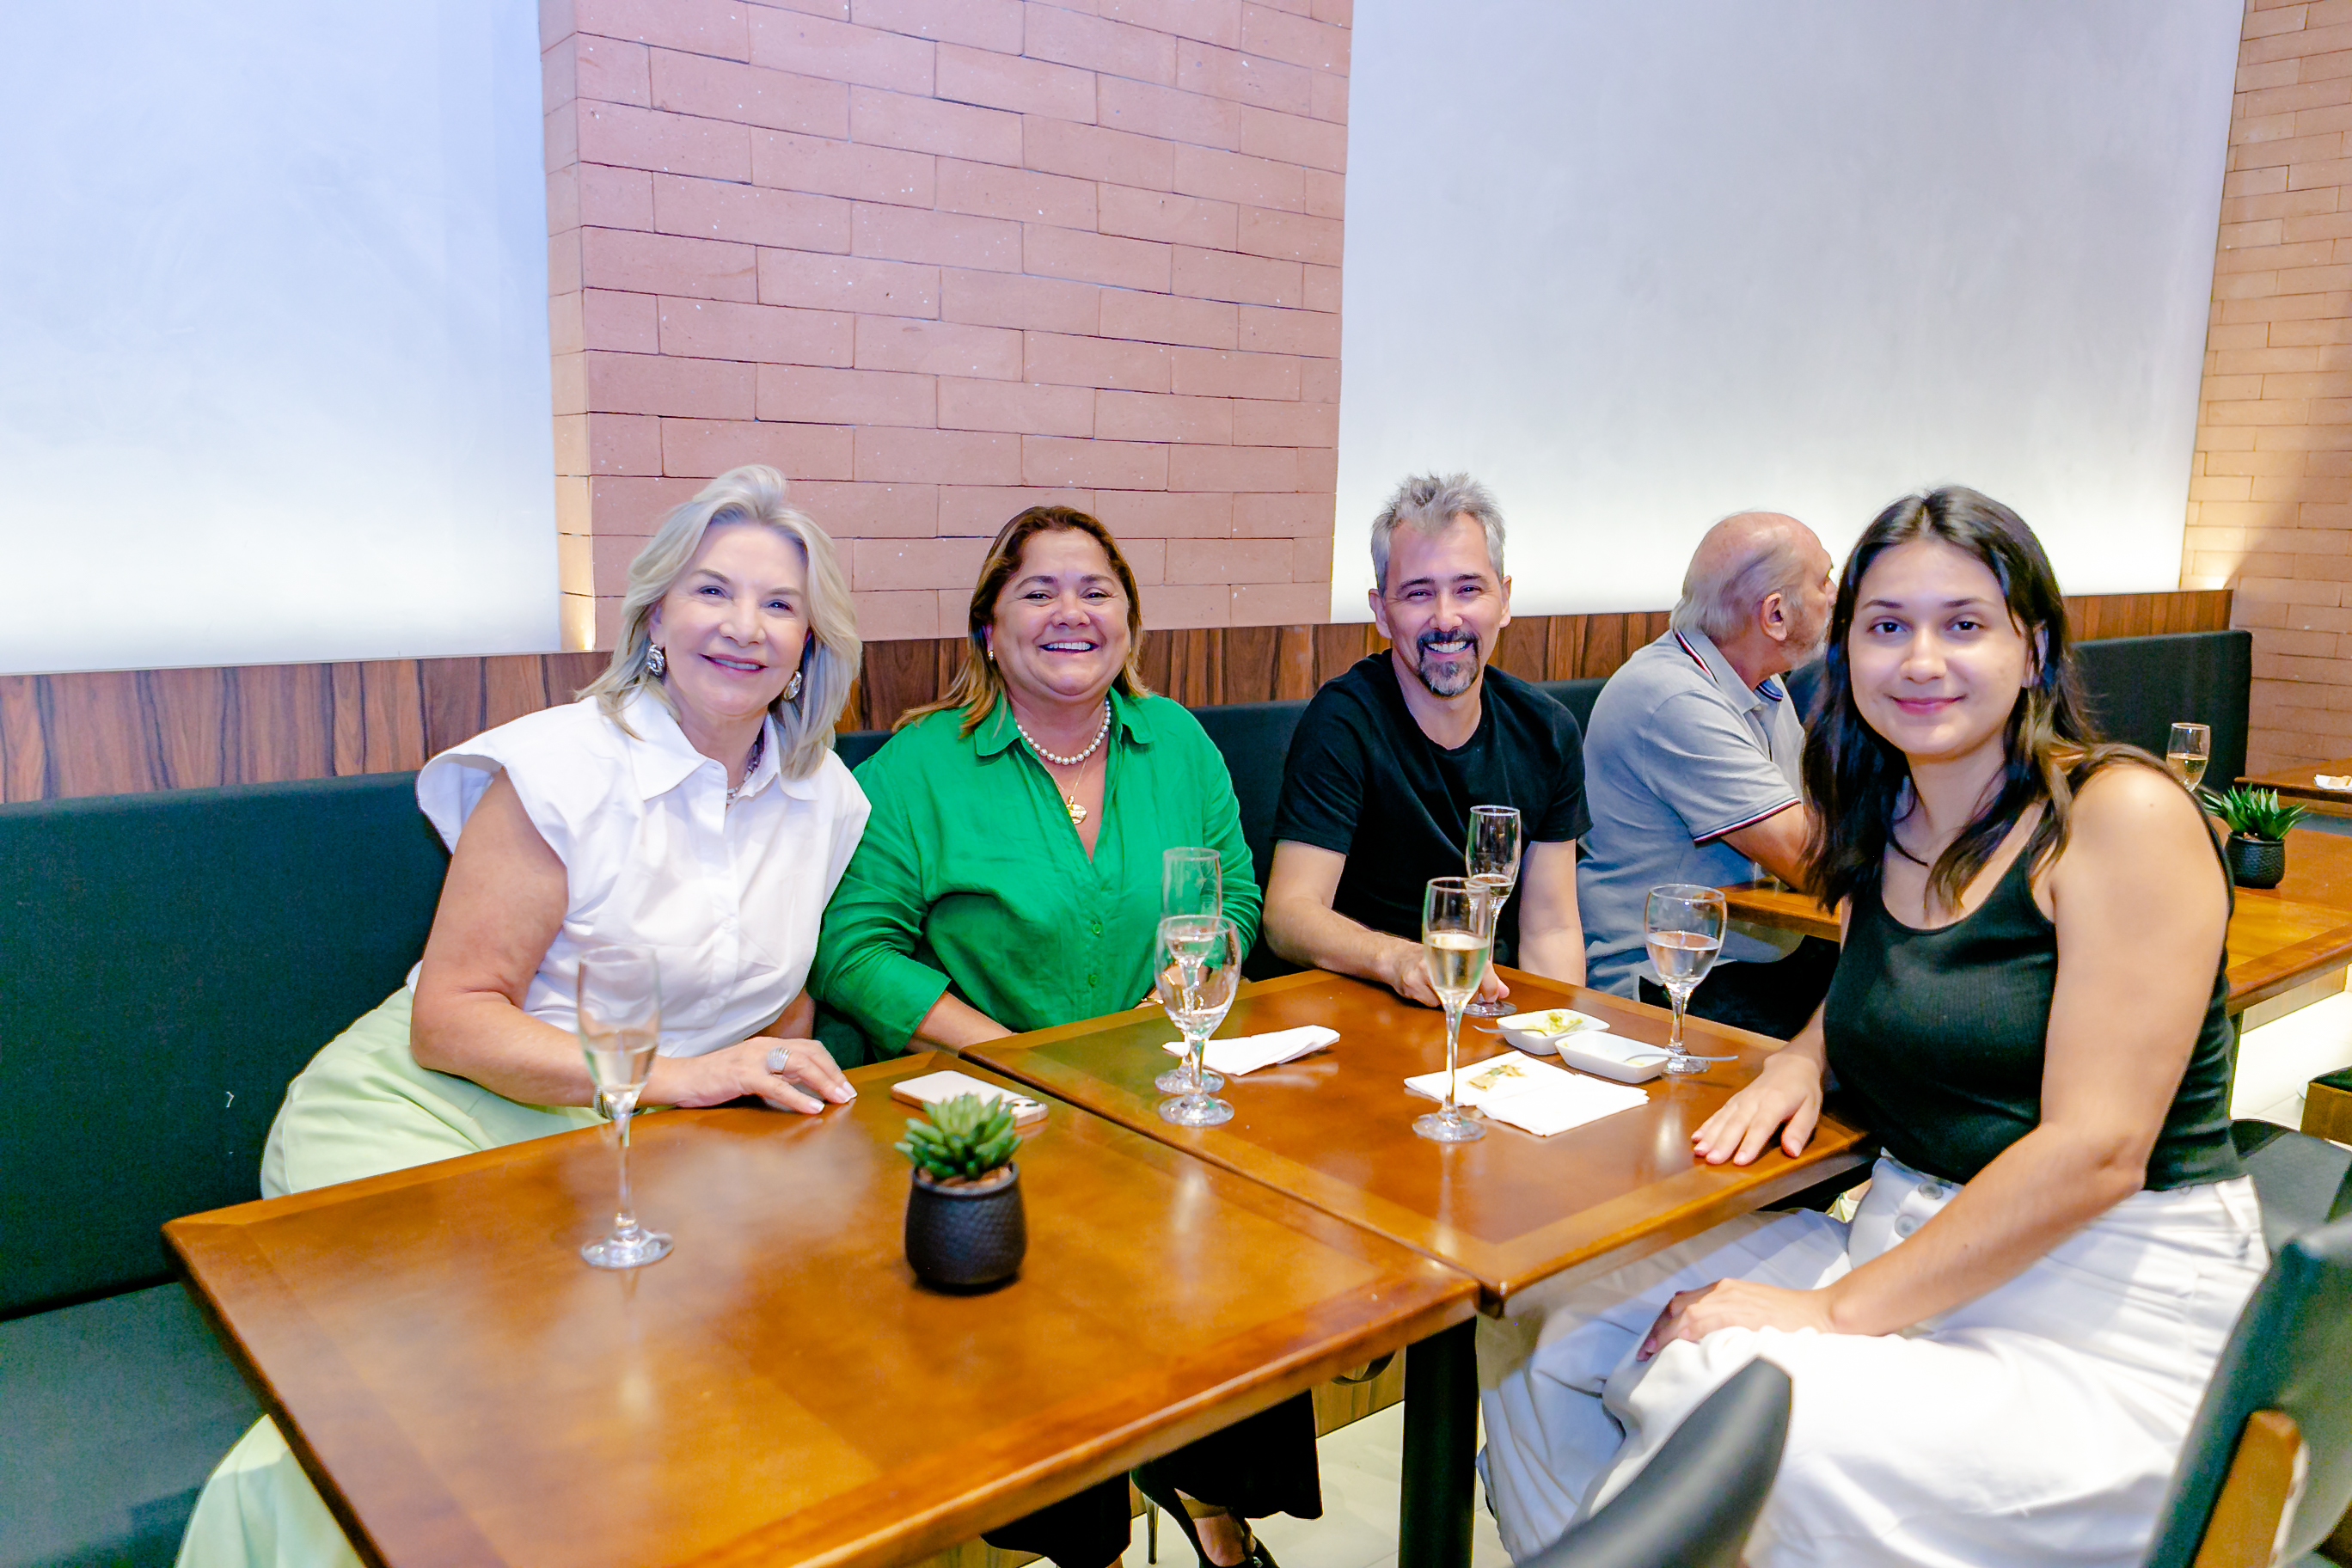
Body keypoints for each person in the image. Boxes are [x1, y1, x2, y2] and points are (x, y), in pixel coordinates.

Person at [1476, 487, 2264, 1568]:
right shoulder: (1886, 818)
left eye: (1964, 624)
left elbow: (2098, 1152)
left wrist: (1834, 1313)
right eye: (1888, 626)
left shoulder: (2119, 815)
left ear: (2034, 649)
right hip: (1912, 1238)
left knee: (1724, 1387)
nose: (1921, 660)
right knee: (1549, 1324)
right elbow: (1879, 974)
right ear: (1843, 652)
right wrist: (1805, 1058)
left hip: (2108, 1304)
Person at [177, 465, 870, 1568]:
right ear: (654, 619)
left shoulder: (825, 795)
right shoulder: (561, 766)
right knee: (443, 1401)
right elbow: (450, 1021)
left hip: (618, 1148)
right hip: (427, 1117)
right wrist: (681, 1081)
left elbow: (774, 998)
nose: (745, 626)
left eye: (779, 605)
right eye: (711, 591)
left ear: (809, 644)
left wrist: (768, 1119)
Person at [811, 505, 1302, 1568]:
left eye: (1096, 592)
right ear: (989, 629)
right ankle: (1093, 1547)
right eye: (1038, 592)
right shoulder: (919, 769)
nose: (1071, 613)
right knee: (1052, 1300)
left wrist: (1190, 983)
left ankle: (1209, 1495)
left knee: (1251, 1236)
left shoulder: (1176, 743)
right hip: (1000, 1112)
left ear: (1129, 622)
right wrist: (1006, 1053)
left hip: (1159, 1093)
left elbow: (1235, 896)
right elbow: (851, 950)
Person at [1263, 473, 1587, 1007]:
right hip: (1360, 1010)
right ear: (1380, 611)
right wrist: (1398, 960)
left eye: (1468, 589)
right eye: (1418, 593)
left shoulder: (1547, 731)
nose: (1446, 618)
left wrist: (1554, 1039)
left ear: (1504, 600)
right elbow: (1289, 915)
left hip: (1487, 1012)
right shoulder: (1342, 722)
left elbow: (1551, 929)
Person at [1577, 511, 1841, 1038]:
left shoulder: (1760, 683)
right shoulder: (1673, 697)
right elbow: (1813, 859)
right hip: (1665, 983)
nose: (1837, 597)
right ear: (1775, 615)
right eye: (1825, 580)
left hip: (1751, 957)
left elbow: (1827, 814)